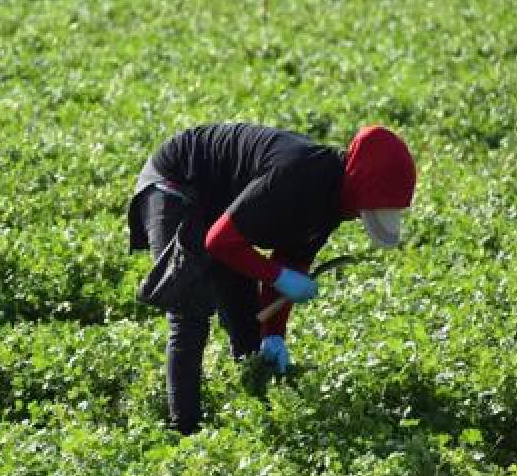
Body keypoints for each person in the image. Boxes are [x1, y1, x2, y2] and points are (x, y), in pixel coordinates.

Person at [128, 123, 417, 435]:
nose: (361, 217)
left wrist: (273, 332)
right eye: (367, 209)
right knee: (190, 309)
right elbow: (220, 242)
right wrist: (279, 277)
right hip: (176, 184)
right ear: (361, 184)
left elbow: (291, 258)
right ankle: (184, 431)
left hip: (220, 208)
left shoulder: (333, 202)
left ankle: (257, 419)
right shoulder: (299, 176)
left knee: (249, 324)